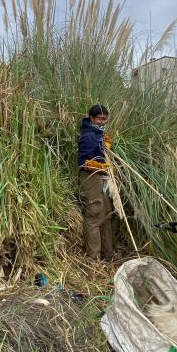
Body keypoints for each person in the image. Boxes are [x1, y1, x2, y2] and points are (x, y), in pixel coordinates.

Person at [78, 104, 114, 260]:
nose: (103, 122)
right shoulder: (88, 135)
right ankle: (94, 259)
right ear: (91, 118)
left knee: (106, 215)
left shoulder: (98, 133)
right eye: (99, 118)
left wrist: (104, 147)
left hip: (101, 178)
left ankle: (108, 255)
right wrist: (98, 166)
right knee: (93, 216)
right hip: (90, 178)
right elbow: (83, 162)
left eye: (105, 119)